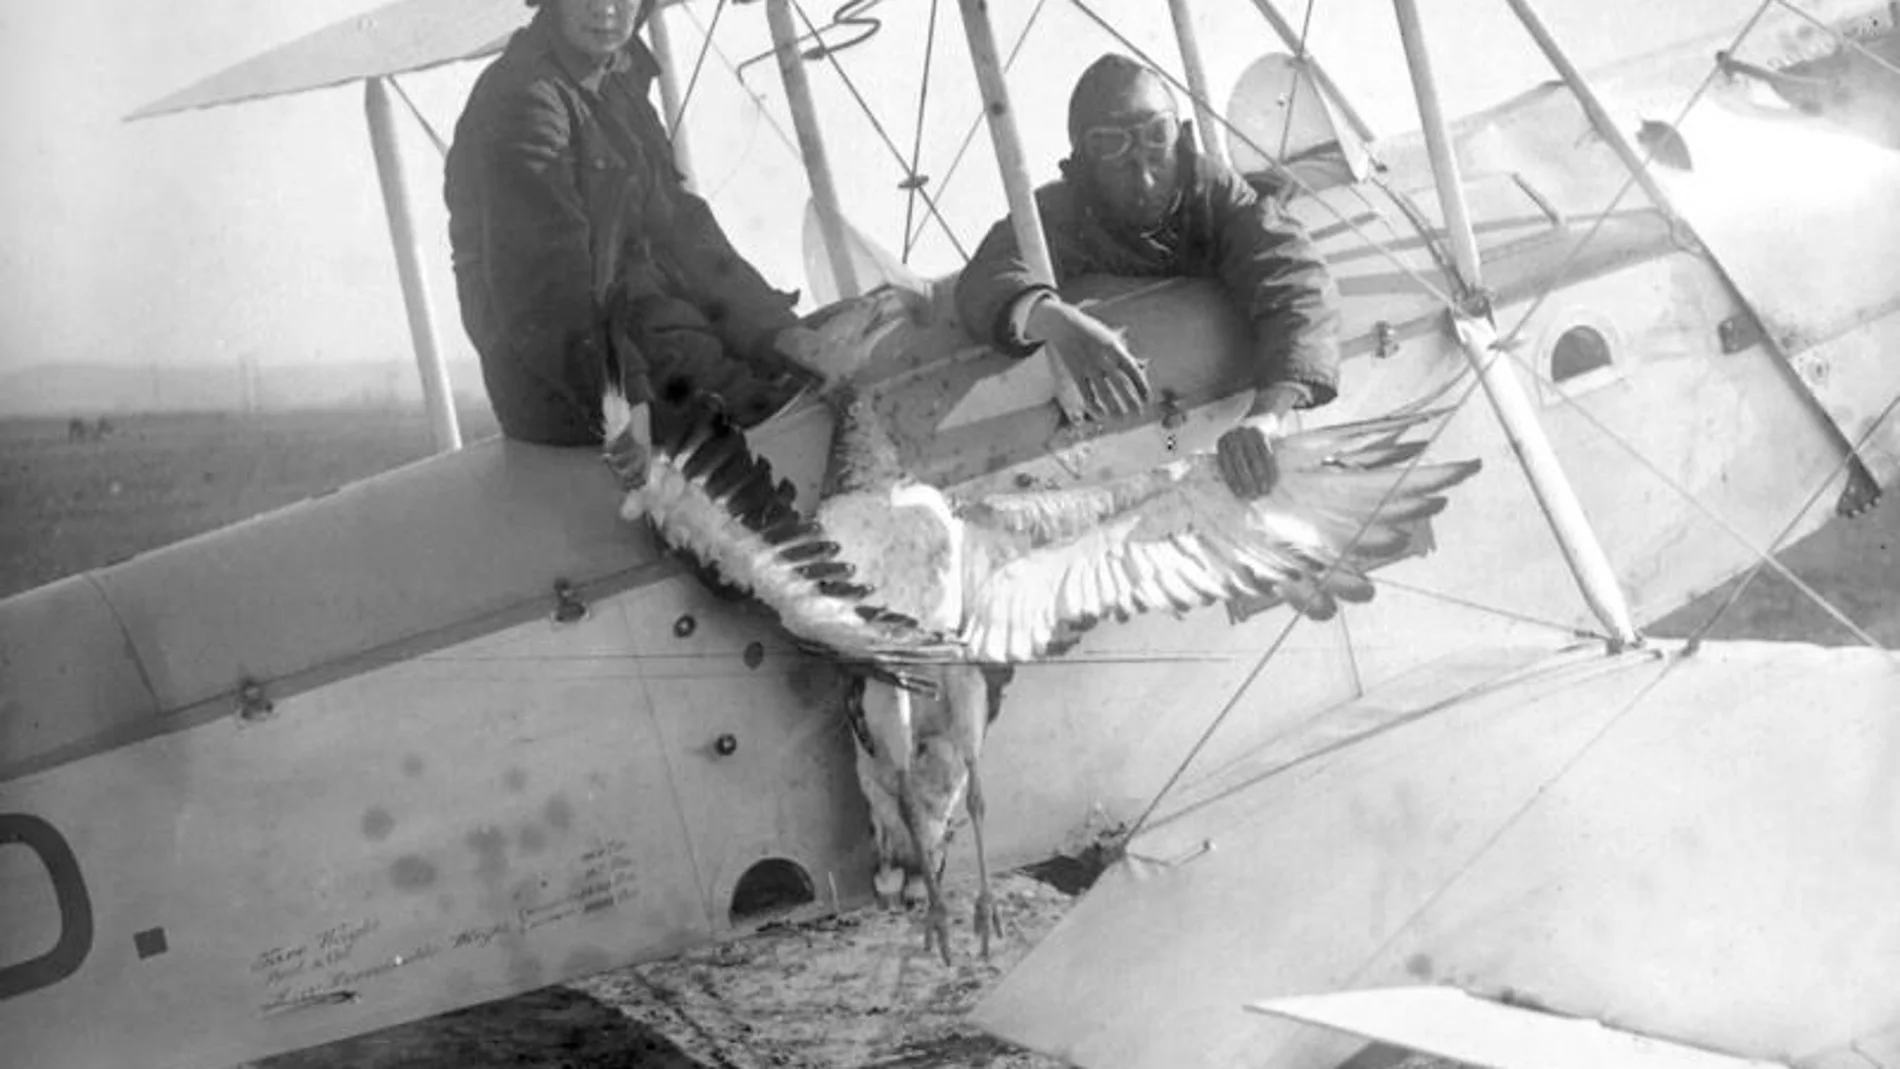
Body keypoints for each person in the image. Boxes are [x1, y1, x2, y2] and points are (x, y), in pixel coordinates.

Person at [954, 53, 1342, 499]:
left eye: (1156, 137)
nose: (1142, 170)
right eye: (1111, 145)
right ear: (1082, 159)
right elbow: (985, 277)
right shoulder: (1059, 214)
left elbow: (1296, 281)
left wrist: (1269, 414)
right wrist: (1055, 319)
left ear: (1179, 136)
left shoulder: (1217, 194)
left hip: (1207, 415)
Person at [446, 0, 816, 446]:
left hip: (653, 335)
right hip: (573, 386)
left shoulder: (618, 79)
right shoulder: (524, 102)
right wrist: (631, 414)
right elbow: (549, 295)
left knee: (831, 375)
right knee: (791, 427)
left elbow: (680, 228)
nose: (605, 8)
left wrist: (778, 333)